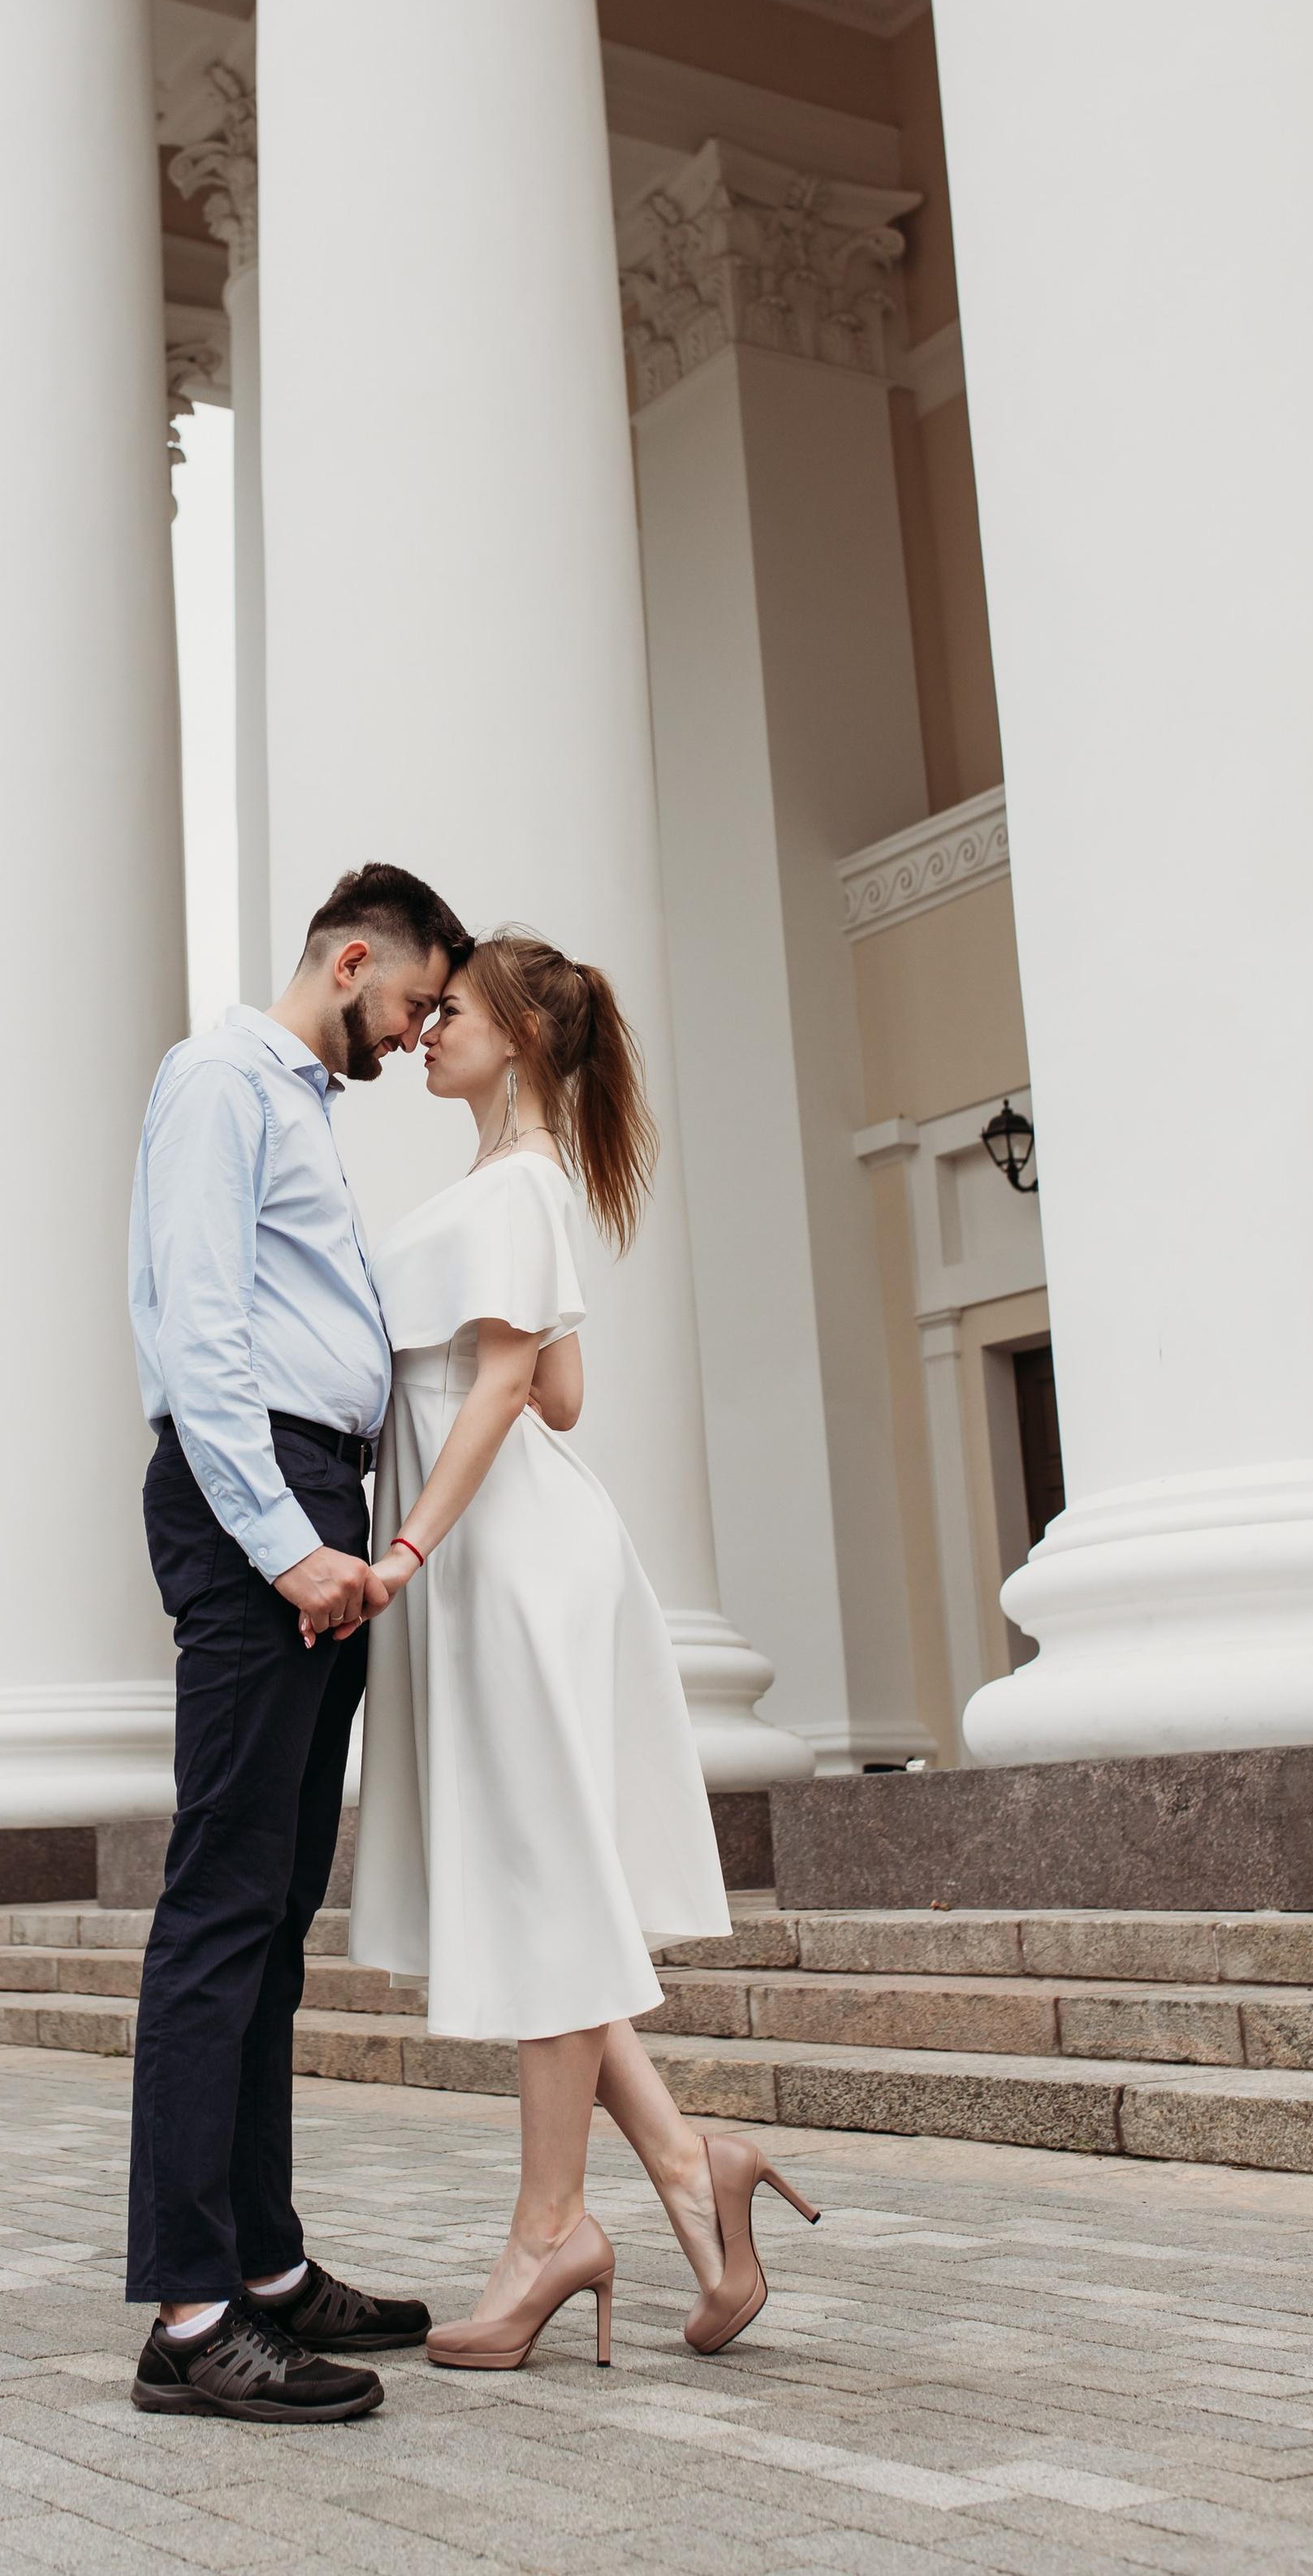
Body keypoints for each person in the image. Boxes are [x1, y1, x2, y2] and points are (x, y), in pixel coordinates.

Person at [350, 931, 821, 2371]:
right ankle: (692, 2173)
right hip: (506, 1552)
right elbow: (562, 1386)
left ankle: (550, 2231)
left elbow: (509, 1389)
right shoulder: (512, 1192)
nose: (427, 1030)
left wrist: (408, 1550)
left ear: (524, 1042)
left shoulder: (521, 1188)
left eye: (455, 1014)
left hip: (500, 1564)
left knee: (545, 1884)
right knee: (542, 1881)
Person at [125, 861, 472, 2423]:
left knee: (271, 1911)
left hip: (308, 1491)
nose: (413, 1038)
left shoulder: (301, 1111)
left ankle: (264, 2268)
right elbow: (199, 1327)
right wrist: (286, 1546)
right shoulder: (219, 1080)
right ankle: (194, 2318)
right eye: (409, 1005)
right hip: (256, 1498)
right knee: (220, 1904)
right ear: (349, 964)